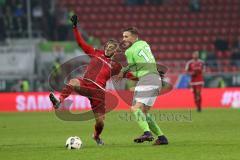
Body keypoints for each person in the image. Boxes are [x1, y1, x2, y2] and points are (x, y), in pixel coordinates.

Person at [49, 15, 134, 145]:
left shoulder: (116, 66)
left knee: (100, 122)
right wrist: (75, 27)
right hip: (86, 83)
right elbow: (80, 43)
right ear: (105, 46)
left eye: (112, 47)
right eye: (108, 45)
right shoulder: (95, 52)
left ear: (115, 52)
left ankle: (96, 136)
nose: (109, 48)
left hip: (99, 94)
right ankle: (59, 101)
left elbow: (129, 75)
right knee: (73, 82)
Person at [116, 27, 168, 145]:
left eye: (126, 36)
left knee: (135, 108)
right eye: (123, 36)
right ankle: (162, 138)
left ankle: (147, 133)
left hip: (146, 79)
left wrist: (124, 73)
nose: (123, 39)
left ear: (134, 37)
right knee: (144, 112)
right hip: (156, 79)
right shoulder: (144, 44)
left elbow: (134, 71)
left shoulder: (128, 51)